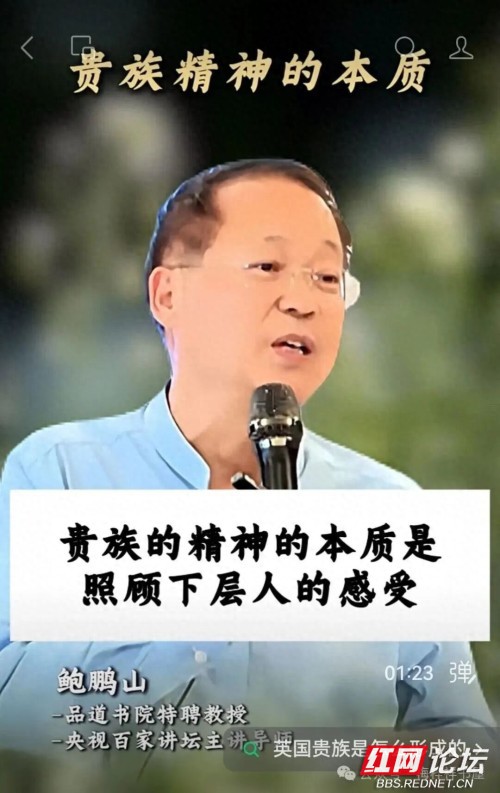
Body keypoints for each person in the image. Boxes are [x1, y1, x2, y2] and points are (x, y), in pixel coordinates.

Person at [0, 159, 495, 757]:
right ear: (168, 294)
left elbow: (465, 749)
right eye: (266, 266)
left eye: (327, 277)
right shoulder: (59, 473)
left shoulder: (392, 510)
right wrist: (210, 593)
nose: (303, 301)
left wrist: (328, 761)